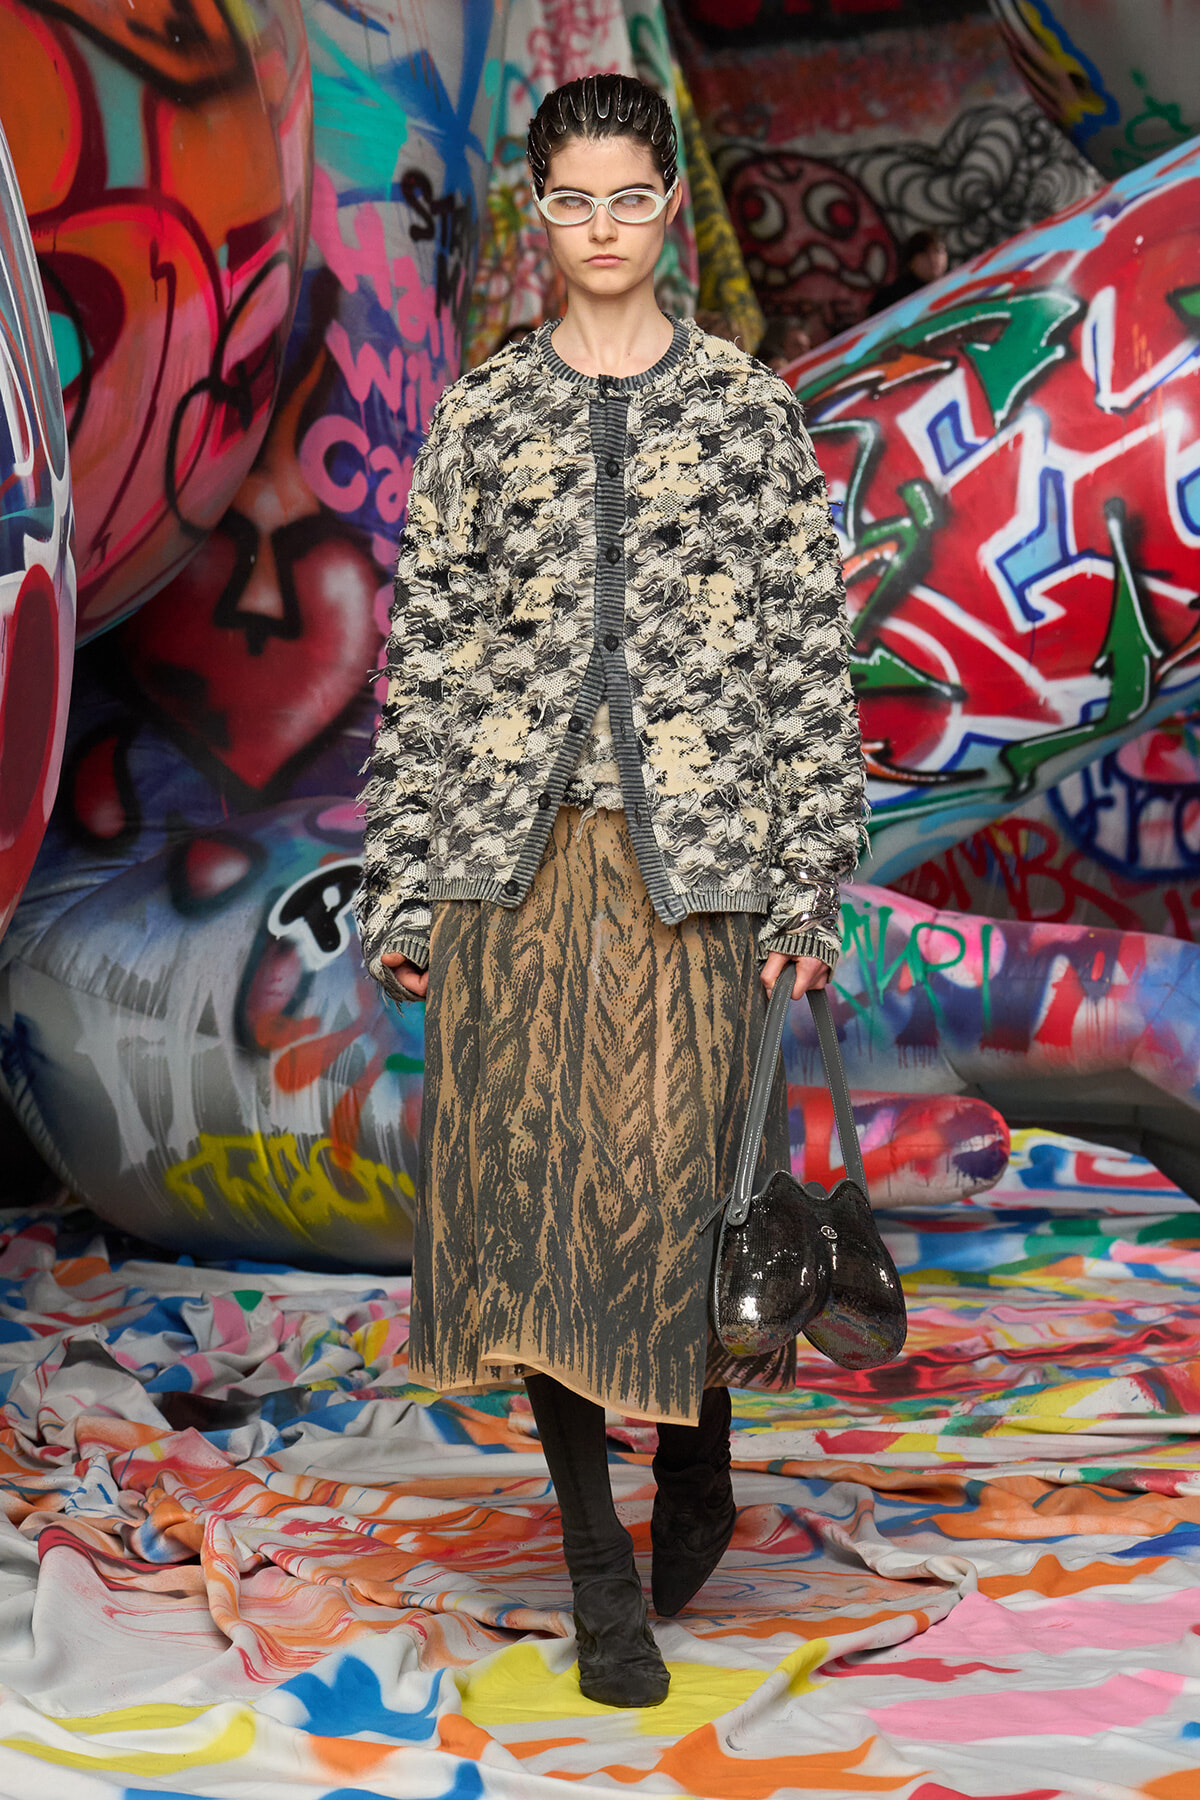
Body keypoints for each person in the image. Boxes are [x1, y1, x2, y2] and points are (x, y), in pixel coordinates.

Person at [355, 72, 866, 1711]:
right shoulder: (485, 417)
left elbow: (807, 660)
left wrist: (806, 884)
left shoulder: (746, 415)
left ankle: (697, 1457)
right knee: (532, 1225)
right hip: (512, 869)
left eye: (626, 199)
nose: (599, 230)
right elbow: (428, 666)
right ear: (539, 213)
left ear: (665, 209)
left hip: (695, 873)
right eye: (569, 202)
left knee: (674, 1205)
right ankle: (597, 1575)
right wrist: (402, 886)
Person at [867, 228, 949, 316]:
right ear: (910, 261)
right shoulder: (890, 297)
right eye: (924, 254)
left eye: (938, 251)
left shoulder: (951, 286)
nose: (933, 259)